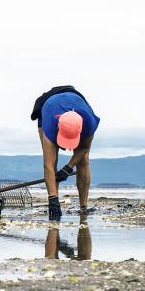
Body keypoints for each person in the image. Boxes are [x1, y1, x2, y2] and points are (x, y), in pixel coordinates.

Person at [31, 85, 101, 221]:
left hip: (75, 102)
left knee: (83, 159)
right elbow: (48, 165)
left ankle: (83, 207)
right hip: (48, 107)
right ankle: (54, 201)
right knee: (52, 159)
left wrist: (68, 168)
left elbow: (84, 149)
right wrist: (52, 199)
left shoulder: (89, 122)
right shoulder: (50, 124)